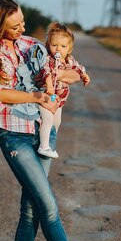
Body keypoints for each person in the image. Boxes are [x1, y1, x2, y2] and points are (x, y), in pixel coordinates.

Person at [0, 0, 99, 241]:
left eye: (23, 23)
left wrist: (61, 76)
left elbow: (61, 70)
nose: (23, 29)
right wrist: (37, 97)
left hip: (43, 132)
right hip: (13, 134)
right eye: (15, 26)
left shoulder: (32, 45)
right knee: (48, 204)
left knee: (31, 206)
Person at [37, 23, 91, 159]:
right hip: (46, 96)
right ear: (49, 45)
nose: (58, 49)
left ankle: (50, 142)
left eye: (63, 46)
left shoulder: (69, 60)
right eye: (54, 45)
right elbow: (47, 73)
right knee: (48, 120)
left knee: (57, 122)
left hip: (59, 99)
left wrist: (84, 75)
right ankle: (44, 146)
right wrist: (49, 86)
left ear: (69, 49)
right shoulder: (48, 60)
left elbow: (78, 68)